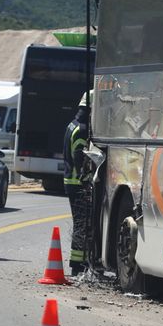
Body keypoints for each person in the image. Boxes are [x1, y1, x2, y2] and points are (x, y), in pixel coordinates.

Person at [63, 92, 94, 275]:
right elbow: (79, 157)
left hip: (70, 180)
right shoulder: (82, 129)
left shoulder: (72, 124)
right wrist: (86, 178)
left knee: (80, 222)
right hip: (78, 183)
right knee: (82, 223)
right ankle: (78, 265)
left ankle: (78, 262)